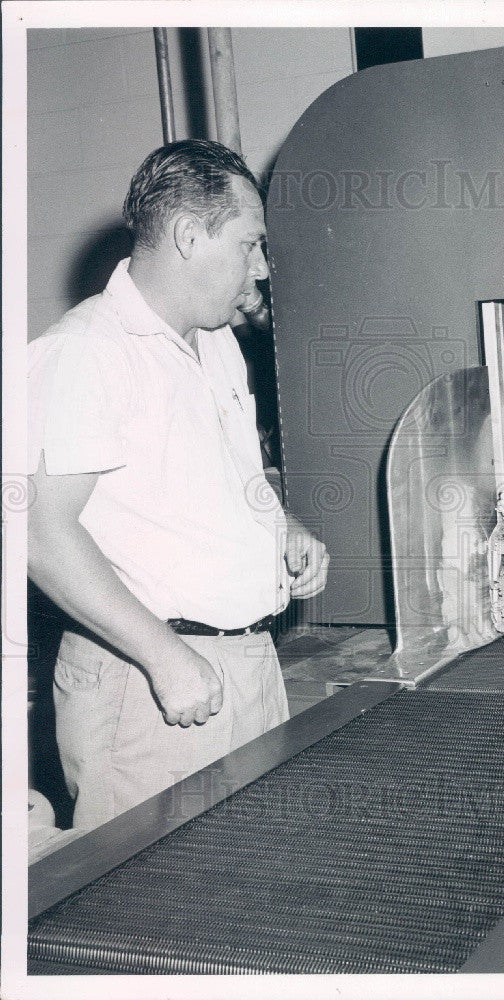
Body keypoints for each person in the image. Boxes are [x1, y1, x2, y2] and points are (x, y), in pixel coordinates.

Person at [27, 140, 329, 832]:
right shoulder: (86, 353)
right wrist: (165, 659)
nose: (261, 268)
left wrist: (280, 527)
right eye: (251, 245)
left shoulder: (214, 341)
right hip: (148, 680)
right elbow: (39, 530)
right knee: (162, 919)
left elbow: (232, 479)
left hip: (247, 663)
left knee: (259, 886)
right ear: (190, 236)